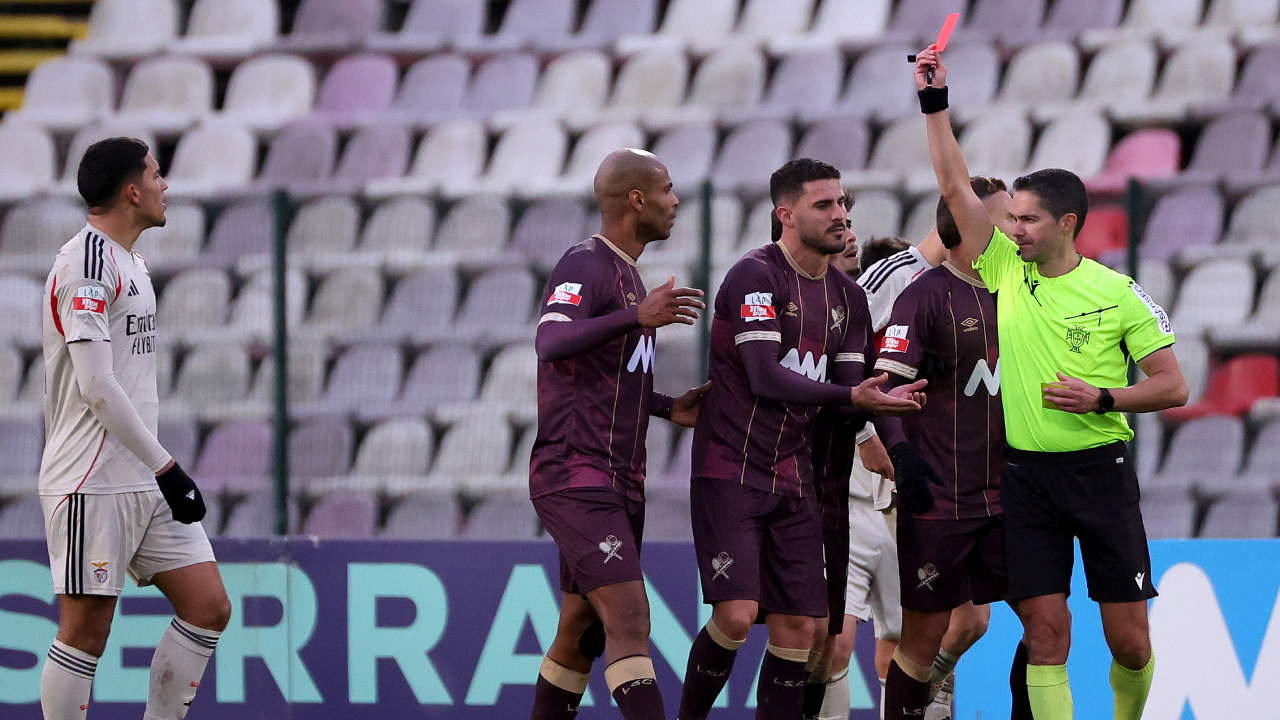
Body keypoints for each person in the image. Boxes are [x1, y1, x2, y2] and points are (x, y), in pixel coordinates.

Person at [914, 46, 1190, 720]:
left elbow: (1173, 386)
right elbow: (955, 188)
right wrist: (935, 104)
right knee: (1045, 634)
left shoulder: (1118, 293)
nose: (1013, 229)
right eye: (1010, 219)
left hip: (1100, 473)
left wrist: (1104, 398)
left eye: (1027, 219)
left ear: (1067, 223)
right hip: (1027, 478)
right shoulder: (1007, 265)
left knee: (1129, 644)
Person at [677, 158, 926, 720]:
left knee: (805, 629)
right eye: (825, 205)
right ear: (785, 215)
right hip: (731, 471)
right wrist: (855, 401)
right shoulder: (754, 277)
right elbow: (766, 376)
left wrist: (902, 451)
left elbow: (856, 387)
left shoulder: (847, 297)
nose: (840, 215)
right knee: (738, 616)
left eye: (843, 204)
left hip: (796, 479)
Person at [38, 137, 229, 720]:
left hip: (143, 478)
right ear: (132, 190)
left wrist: (156, 471)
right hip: (92, 478)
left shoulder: (129, 261)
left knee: (208, 606)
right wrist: (167, 465)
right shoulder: (86, 265)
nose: (165, 184)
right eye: (157, 173)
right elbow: (96, 387)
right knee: (85, 632)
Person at [527, 148, 711, 720]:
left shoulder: (630, 276)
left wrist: (666, 407)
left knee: (579, 632)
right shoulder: (585, 263)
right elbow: (551, 342)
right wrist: (636, 317)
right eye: (667, 189)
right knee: (629, 620)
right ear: (637, 199)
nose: (676, 200)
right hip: (576, 474)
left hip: (619, 479)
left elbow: (604, 378)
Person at [876, 177, 1013, 720]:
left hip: (1014, 498)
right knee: (921, 640)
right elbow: (882, 386)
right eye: (1005, 218)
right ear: (969, 226)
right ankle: (917, 701)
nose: (1016, 229)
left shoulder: (1025, 291)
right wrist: (901, 454)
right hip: (941, 501)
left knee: (1048, 624)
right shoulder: (923, 295)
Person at [804, 222, 902, 720]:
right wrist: (864, 434)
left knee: (918, 644)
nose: (848, 236)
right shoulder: (816, 321)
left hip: (902, 506)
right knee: (832, 643)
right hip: (843, 504)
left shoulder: (883, 326)